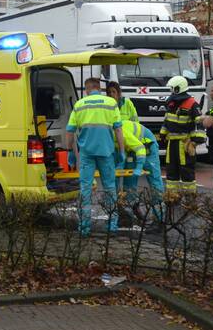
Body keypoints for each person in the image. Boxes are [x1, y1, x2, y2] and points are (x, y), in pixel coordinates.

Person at [66, 83, 125, 235]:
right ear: (99, 88)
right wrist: (122, 150)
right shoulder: (111, 103)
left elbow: (70, 131)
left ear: (86, 89)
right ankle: (112, 225)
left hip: (86, 153)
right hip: (106, 152)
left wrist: (70, 151)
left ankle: (84, 227)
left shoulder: (79, 105)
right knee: (110, 188)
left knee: (85, 189)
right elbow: (118, 129)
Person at [159, 76, 205, 197]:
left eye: (172, 88)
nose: (171, 91)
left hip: (185, 145)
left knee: (187, 172)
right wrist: (162, 135)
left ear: (178, 88)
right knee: (171, 172)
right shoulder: (172, 103)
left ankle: (189, 200)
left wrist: (195, 142)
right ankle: (172, 197)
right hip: (172, 144)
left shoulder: (192, 104)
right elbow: (166, 121)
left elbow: (199, 123)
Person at [122, 120, 164, 227]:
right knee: (129, 181)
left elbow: (140, 149)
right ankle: (129, 216)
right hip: (132, 148)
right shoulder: (107, 138)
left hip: (147, 144)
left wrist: (139, 167)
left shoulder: (122, 133)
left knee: (154, 181)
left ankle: (159, 220)